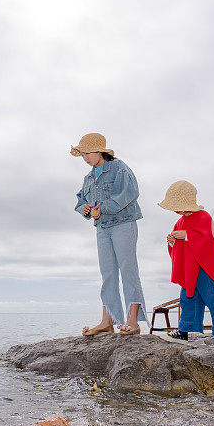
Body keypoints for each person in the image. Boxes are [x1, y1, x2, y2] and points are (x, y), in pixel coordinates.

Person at [71, 132, 147, 336]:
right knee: (107, 274)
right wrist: (85, 209)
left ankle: (133, 321)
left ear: (100, 151)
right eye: (82, 154)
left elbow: (129, 194)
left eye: (88, 153)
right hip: (102, 228)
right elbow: (80, 201)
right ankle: (108, 321)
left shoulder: (119, 168)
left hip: (123, 224)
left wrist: (101, 207)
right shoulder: (88, 178)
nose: (85, 157)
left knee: (128, 271)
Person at [158, 180, 214, 346]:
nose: (174, 209)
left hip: (207, 269)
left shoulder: (204, 217)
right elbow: (181, 250)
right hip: (190, 270)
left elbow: (211, 242)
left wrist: (188, 235)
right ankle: (184, 331)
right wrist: (173, 243)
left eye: (176, 205)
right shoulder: (180, 222)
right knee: (188, 299)